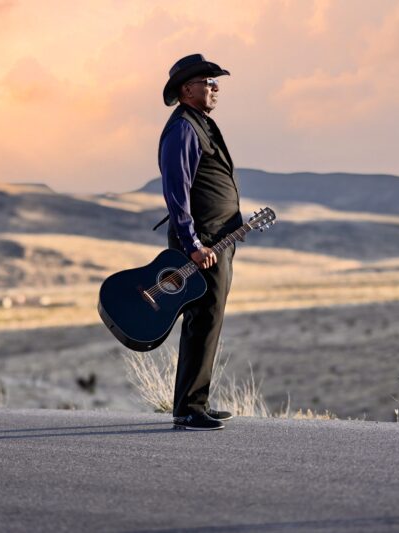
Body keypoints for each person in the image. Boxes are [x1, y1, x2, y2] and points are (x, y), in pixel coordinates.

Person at [157, 54, 243, 431]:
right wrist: (192, 242)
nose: (215, 88)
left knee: (209, 318)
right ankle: (189, 408)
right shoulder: (183, 128)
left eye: (215, 82)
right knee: (202, 318)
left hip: (214, 243)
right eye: (208, 82)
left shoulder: (199, 124)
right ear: (186, 89)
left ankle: (197, 403)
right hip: (201, 246)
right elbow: (176, 191)